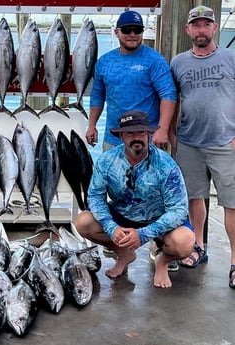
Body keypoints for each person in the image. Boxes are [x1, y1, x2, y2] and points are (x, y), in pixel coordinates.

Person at [75, 111, 195, 288]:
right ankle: (124, 253)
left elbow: (179, 209)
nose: (136, 137)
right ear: (121, 136)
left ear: (148, 134)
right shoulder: (106, 160)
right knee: (83, 222)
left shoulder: (166, 164)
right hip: (122, 215)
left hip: (158, 219)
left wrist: (144, 234)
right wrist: (111, 227)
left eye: (141, 132)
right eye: (130, 133)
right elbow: (95, 197)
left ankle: (162, 262)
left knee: (185, 242)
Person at [170, 5, 235, 288]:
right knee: (194, 199)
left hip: (225, 142)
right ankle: (198, 246)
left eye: (206, 24)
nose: (201, 30)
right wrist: (171, 132)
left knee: (232, 204)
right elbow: (173, 101)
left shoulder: (231, 58)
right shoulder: (178, 62)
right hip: (189, 142)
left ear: (214, 28)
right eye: (195, 25)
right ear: (188, 30)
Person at [86, 10, 177, 152]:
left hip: (148, 140)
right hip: (113, 140)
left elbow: (168, 95)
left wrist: (163, 130)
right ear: (117, 32)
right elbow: (98, 95)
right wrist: (92, 125)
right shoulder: (104, 61)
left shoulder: (155, 60)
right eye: (127, 30)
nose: (132, 34)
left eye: (137, 30)